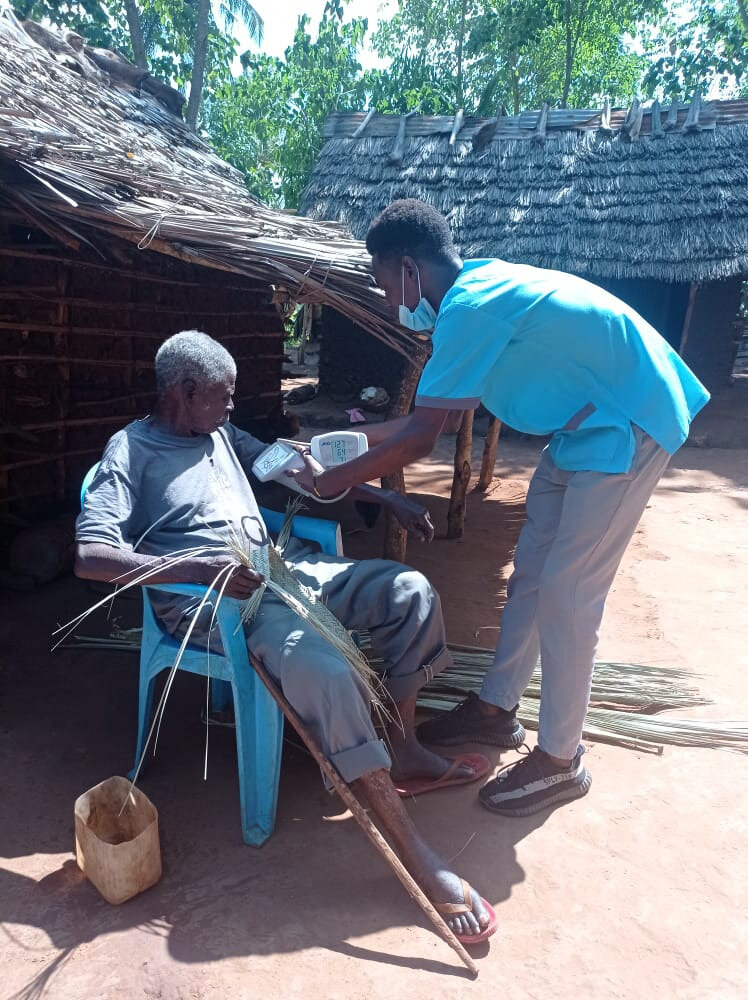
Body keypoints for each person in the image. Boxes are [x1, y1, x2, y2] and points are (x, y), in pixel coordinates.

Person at [289, 198, 710, 818]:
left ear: (409, 269)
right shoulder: (475, 293)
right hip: (583, 431)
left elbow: (421, 437)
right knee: (532, 575)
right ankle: (495, 709)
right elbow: (415, 421)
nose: (389, 302)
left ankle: (562, 761)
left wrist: (332, 482)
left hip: (628, 421)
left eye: (385, 285)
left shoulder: (470, 308)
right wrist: (324, 453)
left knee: (569, 592)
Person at [74, 330, 497, 944]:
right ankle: (417, 852)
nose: (231, 407)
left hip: (285, 569)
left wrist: (380, 495)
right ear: (184, 392)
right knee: (324, 671)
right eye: (222, 396)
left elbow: (288, 465)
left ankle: (401, 745)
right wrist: (200, 571)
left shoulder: (220, 433)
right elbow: (91, 555)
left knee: (410, 592)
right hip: (218, 605)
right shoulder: (130, 453)